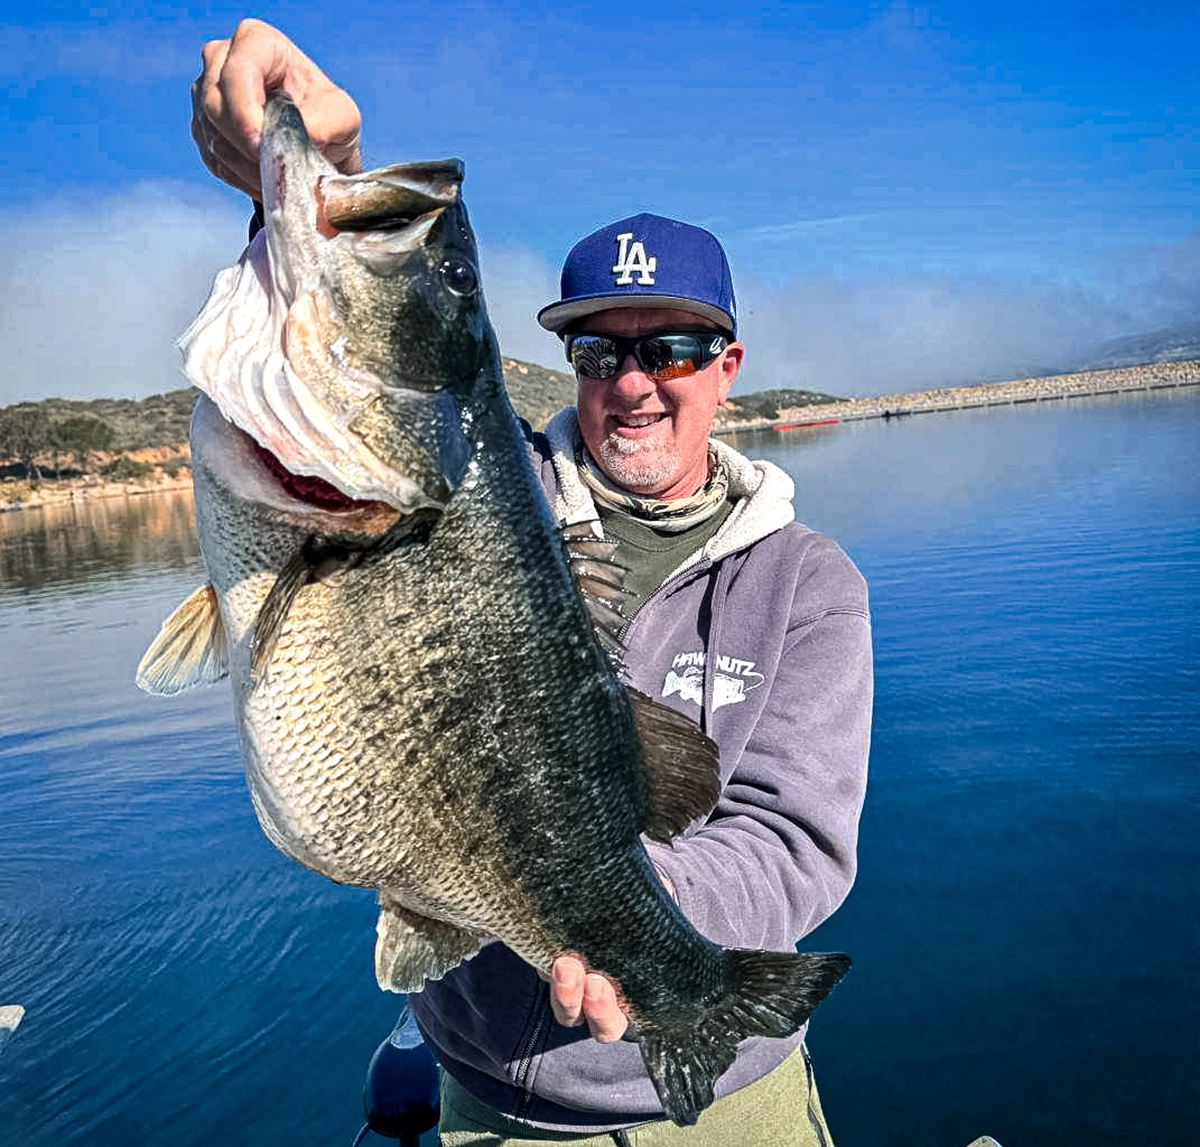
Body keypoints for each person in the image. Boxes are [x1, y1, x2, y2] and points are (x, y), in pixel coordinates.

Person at [192, 20, 872, 1146]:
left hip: (736, 1103)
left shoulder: (809, 583)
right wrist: (309, 178)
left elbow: (795, 842)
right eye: (602, 352)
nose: (638, 384)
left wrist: (632, 930)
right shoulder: (481, 480)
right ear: (569, 365)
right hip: (488, 1107)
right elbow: (373, 351)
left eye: (675, 350)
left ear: (728, 368)